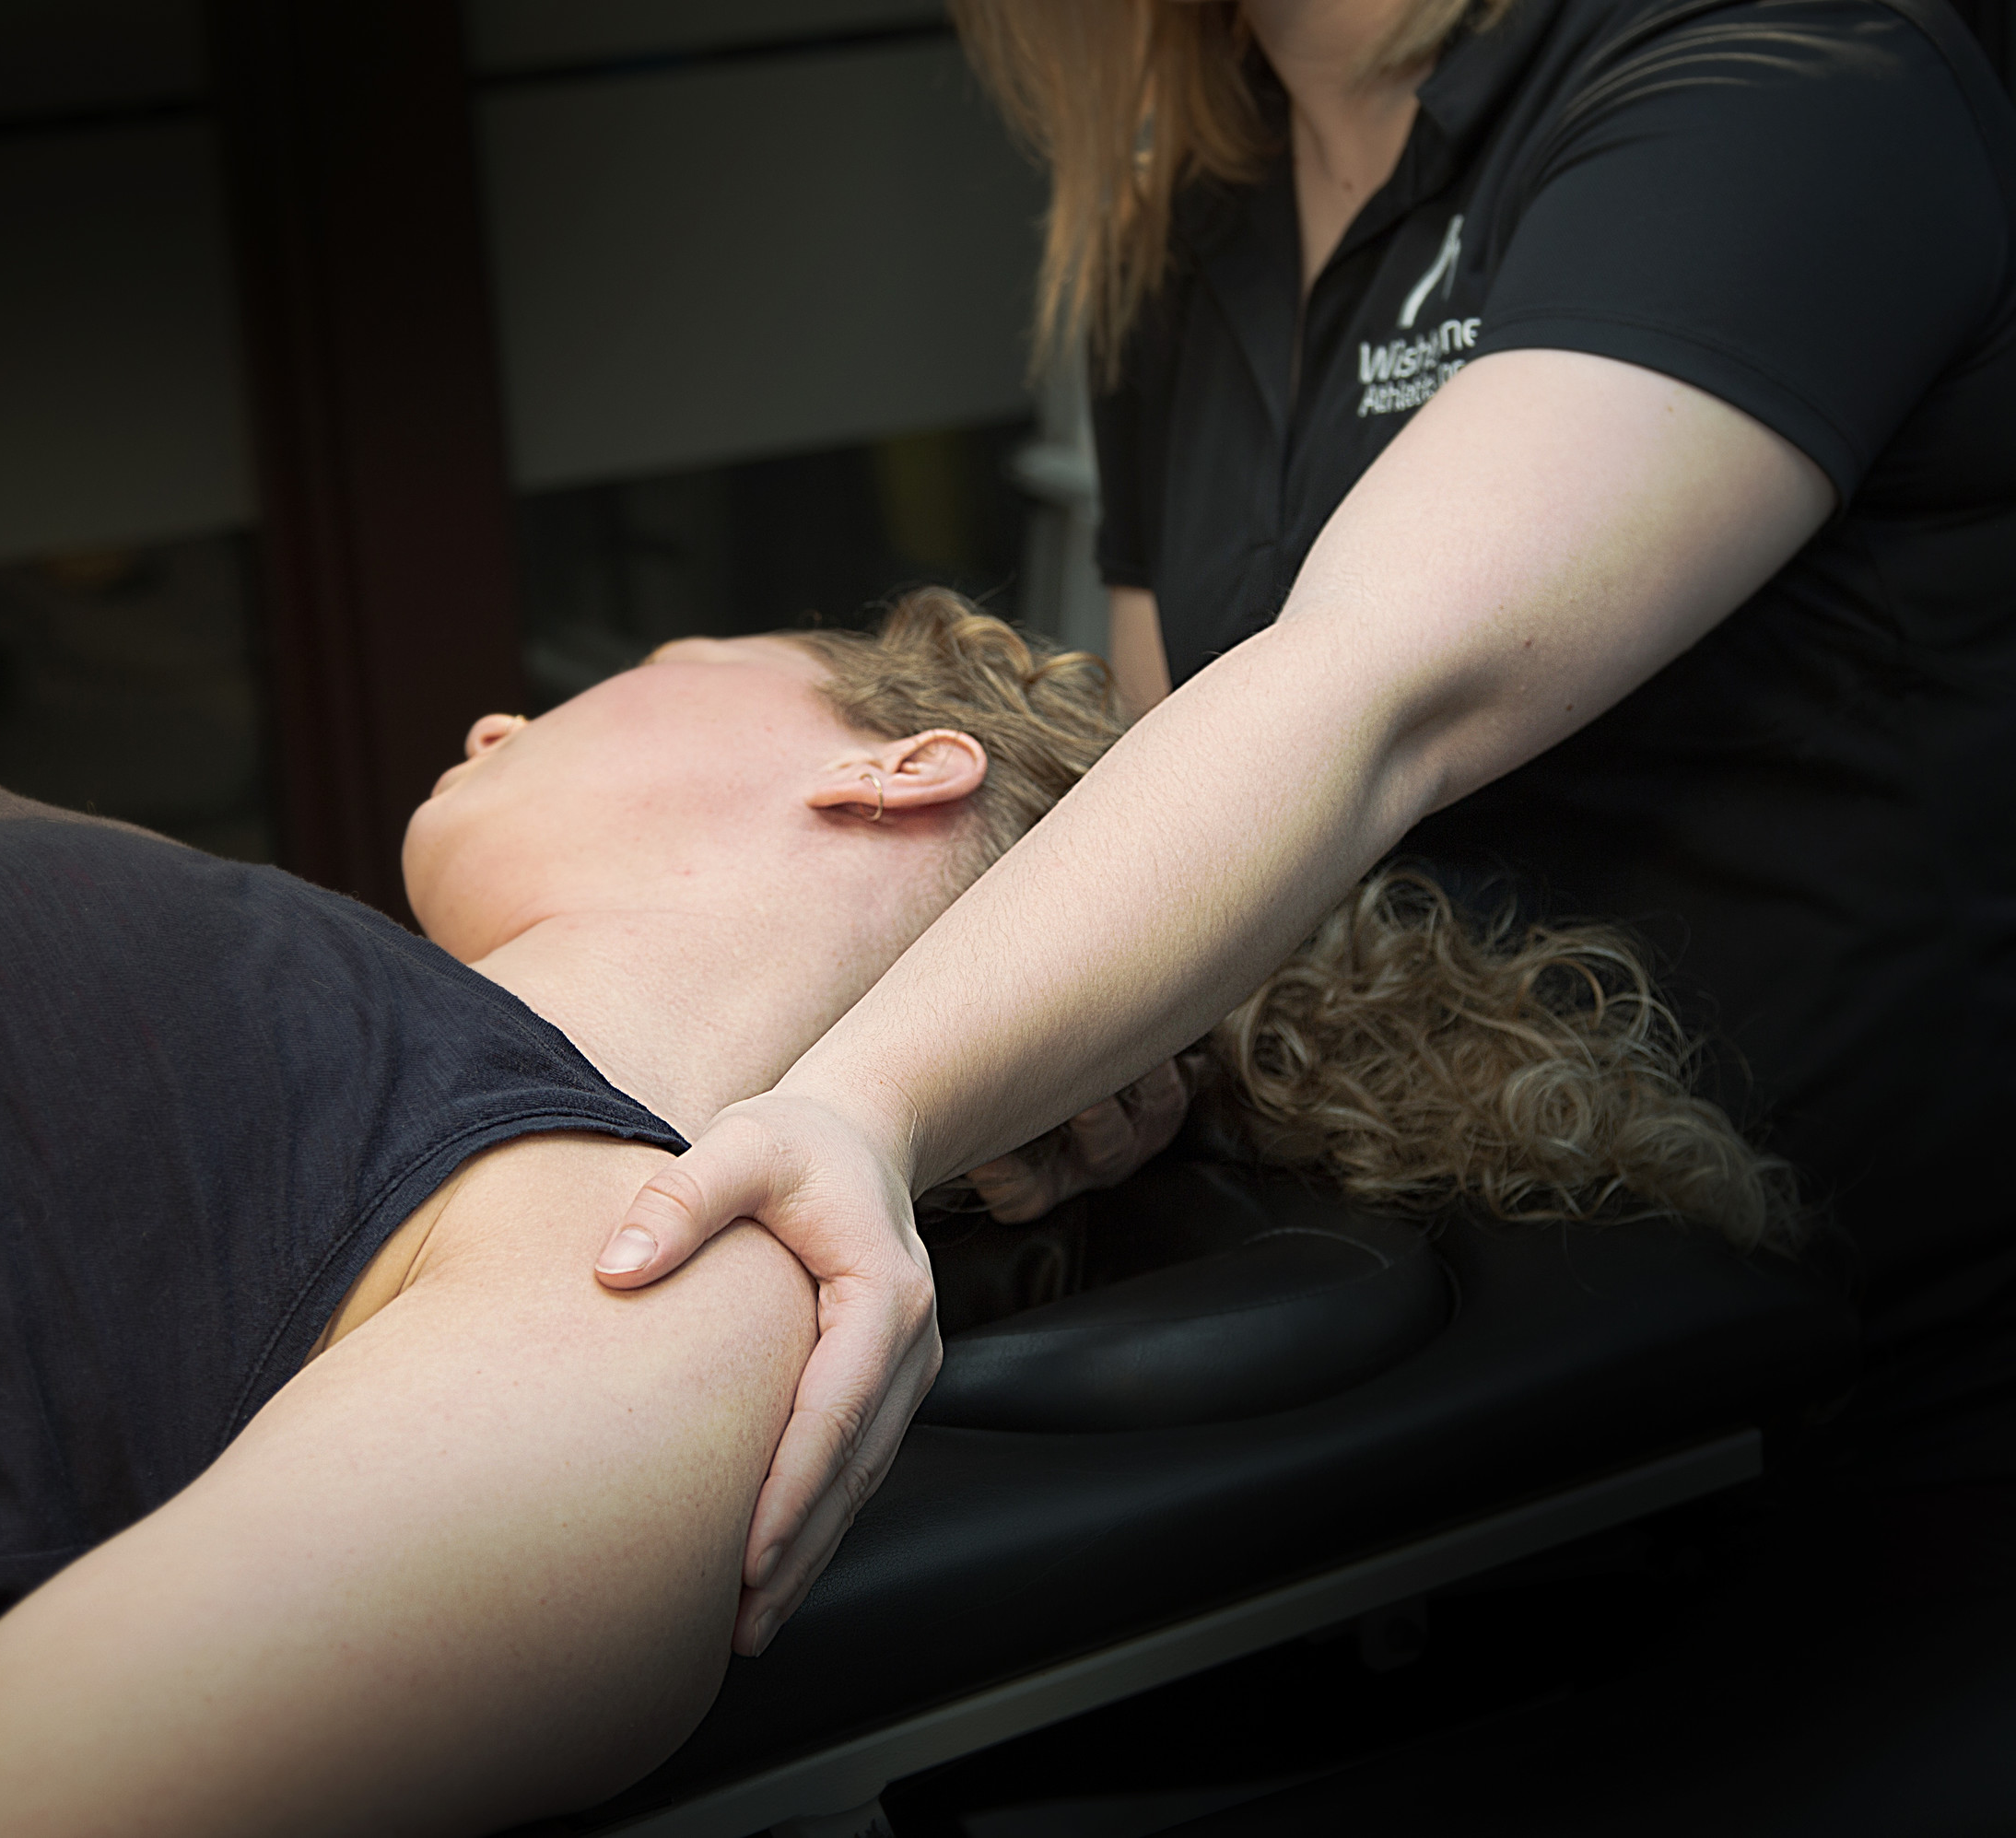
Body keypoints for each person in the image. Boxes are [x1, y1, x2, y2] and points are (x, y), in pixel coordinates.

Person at [0, 595, 1784, 1836]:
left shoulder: (644, 1302)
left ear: (900, 771)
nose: (489, 715)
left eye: (614, 666)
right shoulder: (277, 973)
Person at [606, 0, 2016, 1659]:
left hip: (1886, 1391)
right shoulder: (1188, 222)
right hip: (1462, 1374)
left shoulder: (1786, 73)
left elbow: (1379, 687)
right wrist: (1098, 1057)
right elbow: (1160, 773)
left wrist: (862, 1106)